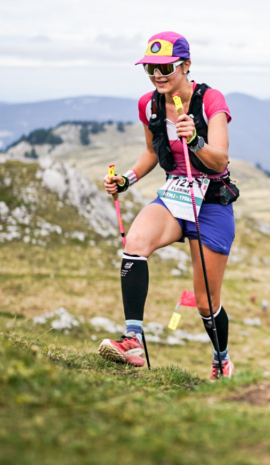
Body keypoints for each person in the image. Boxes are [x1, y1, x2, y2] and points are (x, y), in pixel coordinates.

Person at [98, 31, 239, 380]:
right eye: (150, 68)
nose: (158, 75)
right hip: (175, 194)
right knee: (135, 244)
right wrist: (127, 179)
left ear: (186, 65)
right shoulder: (149, 104)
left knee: (206, 303)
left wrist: (195, 139)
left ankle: (221, 358)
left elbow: (220, 160)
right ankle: (132, 341)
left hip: (211, 201)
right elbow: (151, 152)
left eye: (166, 67)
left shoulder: (210, 100)